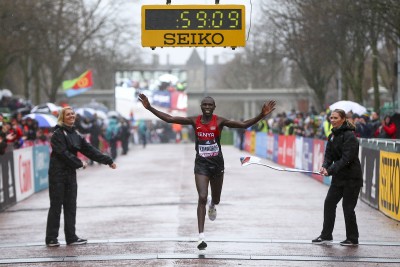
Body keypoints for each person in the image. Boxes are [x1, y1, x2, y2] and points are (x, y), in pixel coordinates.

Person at [138, 93, 276, 250]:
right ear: (201, 107)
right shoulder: (194, 120)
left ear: (214, 107)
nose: (208, 107)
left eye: (210, 105)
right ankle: (201, 237)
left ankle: (213, 204)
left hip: (217, 165)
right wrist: (149, 108)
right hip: (201, 165)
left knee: (215, 199)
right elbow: (170, 118)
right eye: (205, 105)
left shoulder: (220, 121)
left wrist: (261, 115)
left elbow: (243, 125)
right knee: (201, 197)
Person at [45, 107, 117, 247]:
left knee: (71, 206)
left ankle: (71, 237)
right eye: (68, 114)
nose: (71, 116)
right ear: (62, 117)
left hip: (70, 174)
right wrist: (79, 163)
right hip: (57, 174)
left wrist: (108, 160)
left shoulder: (76, 134)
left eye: (73, 114)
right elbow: (62, 153)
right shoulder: (57, 134)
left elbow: (90, 150)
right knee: (56, 206)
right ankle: (51, 238)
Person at [312, 109, 362, 247]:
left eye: (335, 118)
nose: (332, 120)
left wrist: (330, 170)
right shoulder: (332, 136)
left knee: (348, 208)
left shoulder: (350, 136)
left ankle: (352, 238)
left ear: (343, 119)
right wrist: (324, 166)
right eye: (331, 117)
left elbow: (347, 159)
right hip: (339, 178)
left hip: (352, 178)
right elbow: (329, 156)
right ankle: (326, 235)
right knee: (329, 203)